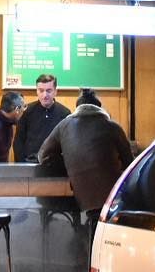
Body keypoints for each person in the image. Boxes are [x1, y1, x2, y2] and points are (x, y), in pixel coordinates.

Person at [38, 88, 134, 235]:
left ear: (78, 107)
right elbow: (131, 165)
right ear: (100, 107)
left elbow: (43, 155)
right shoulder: (112, 126)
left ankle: (86, 246)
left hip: (83, 198)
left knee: (94, 228)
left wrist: (69, 164)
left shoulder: (64, 126)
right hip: (113, 200)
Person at [13, 73, 71, 162]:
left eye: (49, 91)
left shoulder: (65, 113)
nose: (45, 95)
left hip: (55, 165)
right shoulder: (26, 111)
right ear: (37, 91)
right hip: (29, 164)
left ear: (55, 91)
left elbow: (67, 144)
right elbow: (18, 142)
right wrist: (22, 165)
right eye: (41, 90)